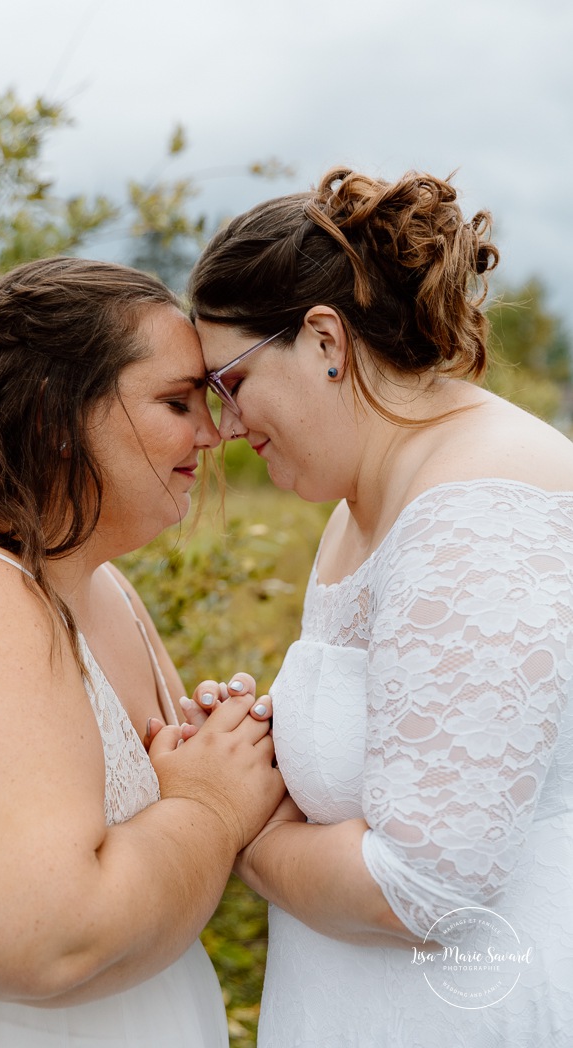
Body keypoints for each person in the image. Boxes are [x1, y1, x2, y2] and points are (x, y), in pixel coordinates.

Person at [187, 168, 573, 1047]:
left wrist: (228, 820)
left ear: (324, 339)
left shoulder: (479, 501)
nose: (222, 424)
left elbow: (426, 883)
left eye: (230, 381)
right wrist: (249, 746)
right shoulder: (360, 504)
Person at [0, 257, 285, 1047]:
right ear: (52, 415)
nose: (213, 433)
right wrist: (208, 806)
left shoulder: (105, 589)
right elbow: (42, 940)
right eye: (175, 402)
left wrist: (227, 748)